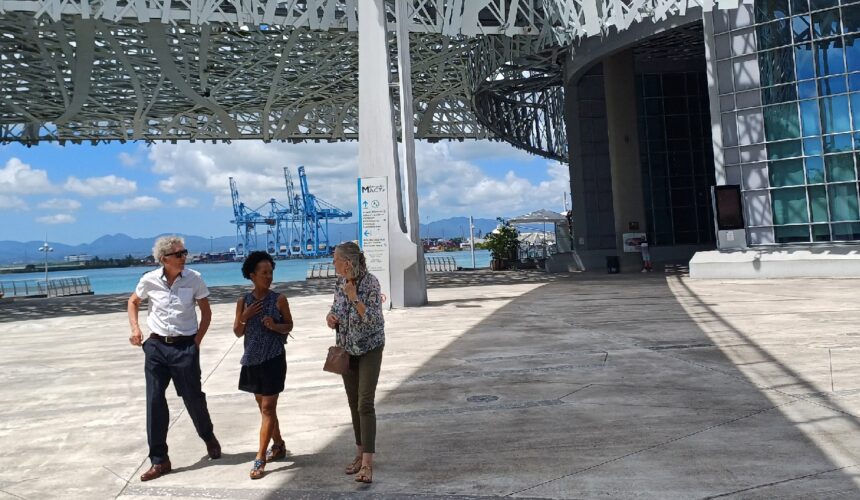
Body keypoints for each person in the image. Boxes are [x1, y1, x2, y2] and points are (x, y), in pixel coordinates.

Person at [127, 236, 221, 482]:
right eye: (179, 254)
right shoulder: (149, 280)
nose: (184, 257)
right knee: (155, 401)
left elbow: (206, 312)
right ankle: (159, 460)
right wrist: (136, 329)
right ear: (163, 259)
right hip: (156, 347)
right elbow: (133, 301)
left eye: (184, 253)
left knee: (193, 397)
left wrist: (195, 342)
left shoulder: (194, 278)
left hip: (184, 346)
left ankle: (208, 436)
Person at [325, 241, 385, 484]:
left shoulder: (371, 283)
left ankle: (368, 463)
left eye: (336, 259)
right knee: (353, 403)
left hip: (370, 349)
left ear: (347, 263)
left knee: (365, 403)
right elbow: (335, 310)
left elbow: (373, 321)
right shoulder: (340, 283)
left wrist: (355, 298)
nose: (333, 263)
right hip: (347, 349)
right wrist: (330, 318)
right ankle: (359, 453)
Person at [233, 251, 294, 479]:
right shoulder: (243, 301)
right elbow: (238, 332)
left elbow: (289, 325)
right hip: (251, 360)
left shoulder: (279, 299)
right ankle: (277, 444)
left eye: (270, 272)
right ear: (252, 275)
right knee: (265, 408)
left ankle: (260, 458)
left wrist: (275, 326)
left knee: (268, 408)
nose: (268, 277)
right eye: (264, 273)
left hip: (274, 359)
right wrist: (245, 316)